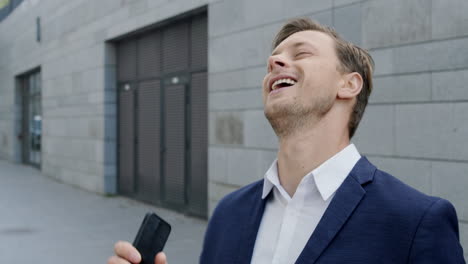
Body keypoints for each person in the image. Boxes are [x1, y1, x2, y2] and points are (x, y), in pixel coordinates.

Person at [108, 18, 465, 264]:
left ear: (348, 85)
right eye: (273, 59)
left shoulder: (415, 221)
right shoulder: (228, 214)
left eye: (301, 53)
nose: (275, 61)